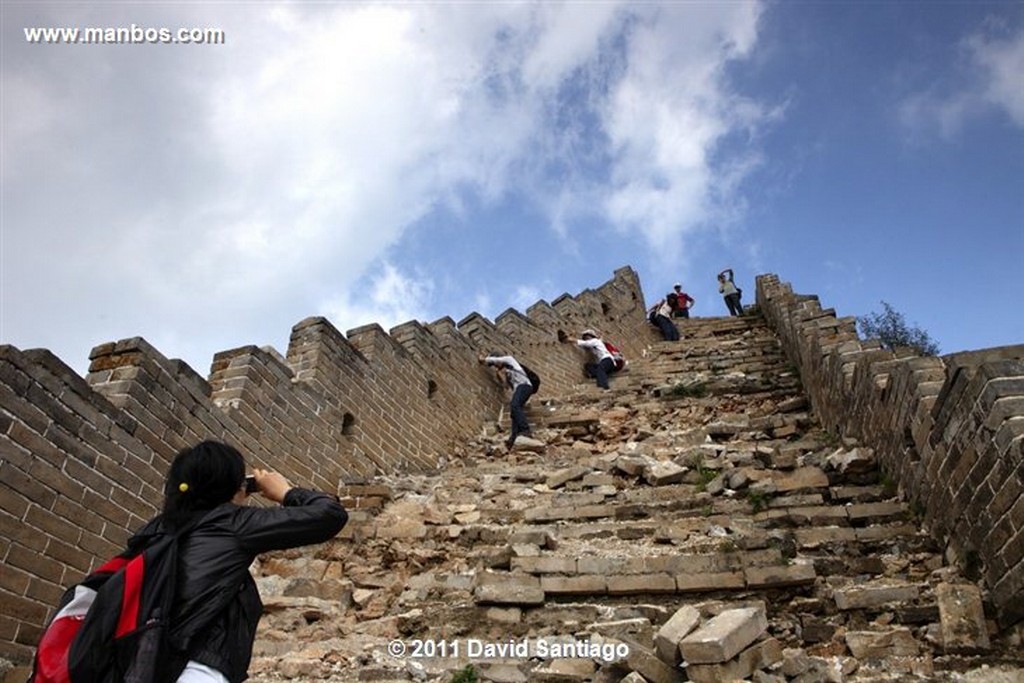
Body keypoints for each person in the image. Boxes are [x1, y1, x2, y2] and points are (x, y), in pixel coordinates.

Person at [139, 441, 348, 683]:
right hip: (198, 669)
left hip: (145, 664)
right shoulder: (232, 523)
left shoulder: (154, 532)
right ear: (234, 486)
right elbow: (330, 515)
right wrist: (285, 492)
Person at [479, 352, 535, 448]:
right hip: (519, 389)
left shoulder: (510, 360)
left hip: (525, 386)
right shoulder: (506, 371)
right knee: (514, 412)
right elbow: (506, 386)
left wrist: (485, 360)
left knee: (515, 405)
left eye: (496, 364)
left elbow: (497, 360)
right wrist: (501, 376)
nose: (496, 366)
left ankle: (525, 430)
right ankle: (513, 438)